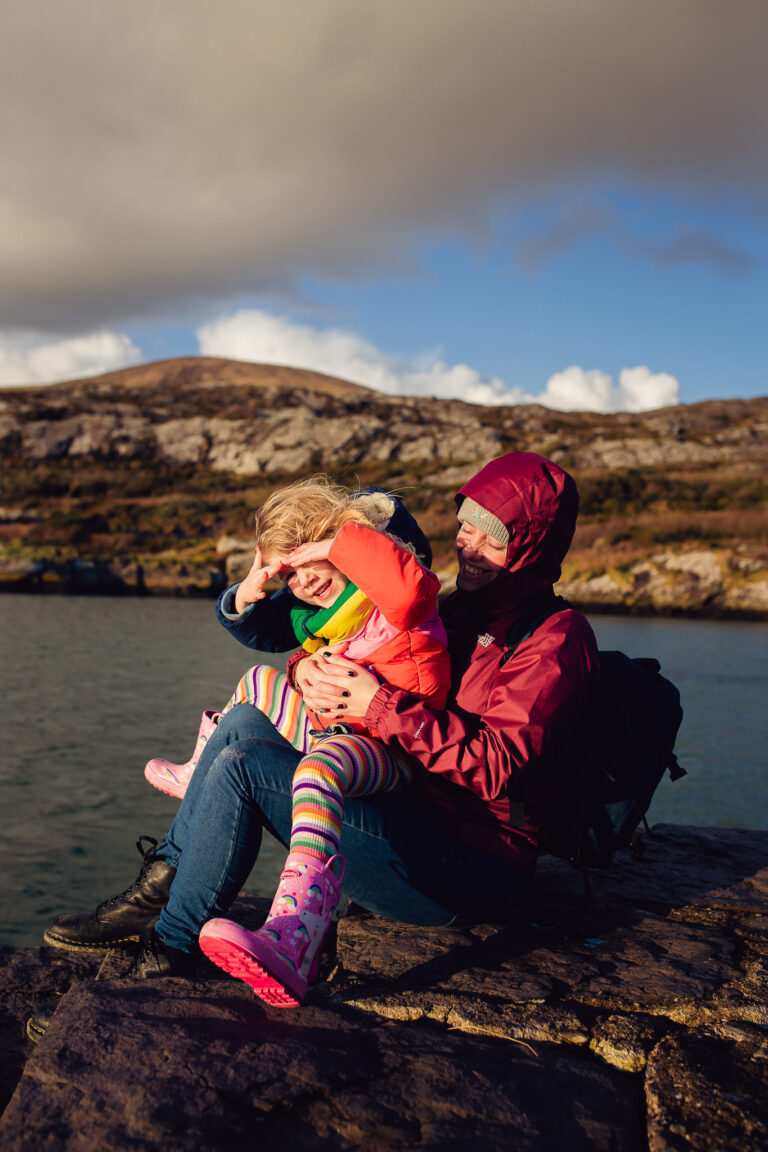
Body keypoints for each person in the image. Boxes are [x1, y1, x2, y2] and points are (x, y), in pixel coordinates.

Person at [42, 452, 599, 1010]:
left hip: (474, 863)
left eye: (492, 537)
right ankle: (163, 882)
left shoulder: (557, 636)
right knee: (241, 720)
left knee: (243, 767)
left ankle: (168, 950)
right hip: (410, 810)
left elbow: (498, 764)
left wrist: (378, 706)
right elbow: (361, 657)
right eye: (464, 526)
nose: (468, 546)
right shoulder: (460, 609)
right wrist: (301, 669)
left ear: (533, 548)